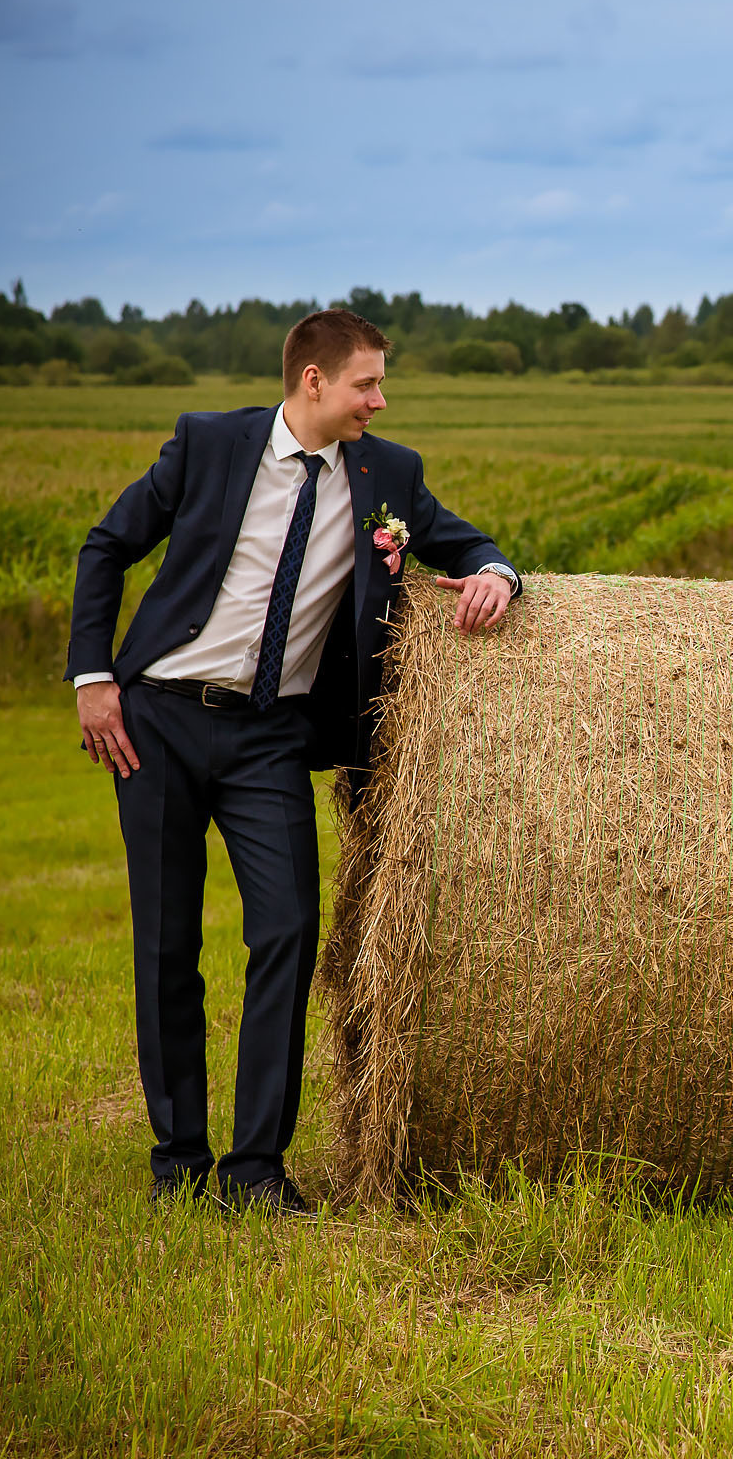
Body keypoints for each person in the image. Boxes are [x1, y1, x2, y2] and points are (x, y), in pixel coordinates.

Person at [66, 308, 520, 1214]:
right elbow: (108, 547)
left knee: (287, 932)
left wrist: (497, 575)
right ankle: (179, 1164)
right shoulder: (208, 446)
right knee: (167, 944)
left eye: (381, 385)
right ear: (313, 381)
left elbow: (464, 543)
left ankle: (257, 1171)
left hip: (272, 736)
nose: (378, 401)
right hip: (155, 719)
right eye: (365, 384)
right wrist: (93, 677)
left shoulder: (386, 474)